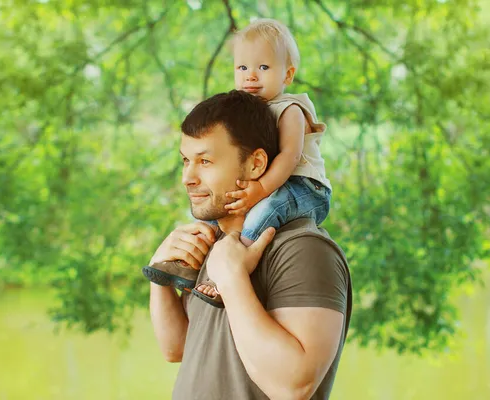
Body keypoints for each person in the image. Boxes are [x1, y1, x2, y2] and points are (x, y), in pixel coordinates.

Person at [147, 90, 352, 399]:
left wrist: (231, 279)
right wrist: (160, 275)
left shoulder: (304, 250)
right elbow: (178, 348)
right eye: (186, 161)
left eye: (205, 161)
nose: (187, 177)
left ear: (256, 164)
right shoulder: (217, 245)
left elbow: (294, 386)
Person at [143, 18, 333, 308]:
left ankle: (236, 264)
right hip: (273, 183)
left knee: (265, 212)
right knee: (207, 217)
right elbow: (175, 350)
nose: (251, 77)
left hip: (303, 187)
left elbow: (289, 157)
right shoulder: (254, 111)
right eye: (242, 68)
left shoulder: (289, 109)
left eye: (263, 68)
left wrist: (260, 188)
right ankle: (187, 264)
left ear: (288, 74)